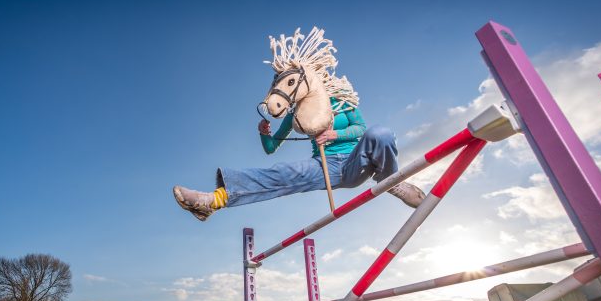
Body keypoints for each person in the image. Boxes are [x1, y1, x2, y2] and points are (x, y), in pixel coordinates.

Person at [173, 96, 425, 221]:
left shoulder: (342, 101)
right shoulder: (295, 114)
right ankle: (213, 201)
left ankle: (391, 181)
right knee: (281, 173)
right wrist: (264, 135)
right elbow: (272, 147)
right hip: (329, 168)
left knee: (380, 134)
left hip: (358, 158)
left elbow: (361, 128)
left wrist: (334, 133)